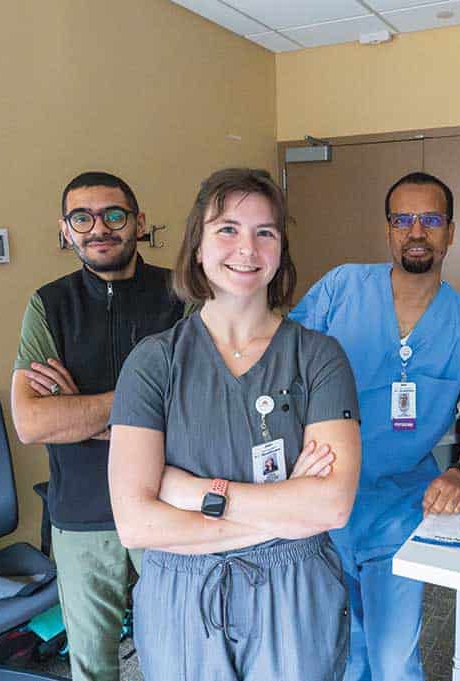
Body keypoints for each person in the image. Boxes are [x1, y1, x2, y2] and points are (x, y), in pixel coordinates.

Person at [107, 168, 361, 681]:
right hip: (181, 593)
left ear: (280, 251)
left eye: (265, 231)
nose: (247, 247)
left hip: (295, 590)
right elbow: (136, 524)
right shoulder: (154, 362)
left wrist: (194, 492)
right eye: (227, 228)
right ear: (196, 247)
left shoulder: (318, 358)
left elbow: (331, 506)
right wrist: (288, 503)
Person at [290, 172, 460, 681]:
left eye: (431, 219)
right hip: (319, 500)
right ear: (388, 230)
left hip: (399, 510)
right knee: (338, 654)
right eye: (404, 219)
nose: (416, 231)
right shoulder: (341, 288)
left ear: (451, 233)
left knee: (394, 658)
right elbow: (285, 369)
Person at [11, 171, 187, 681]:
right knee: (92, 666)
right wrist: (140, 408)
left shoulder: (179, 297)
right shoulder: (49, 305)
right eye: (81, 217)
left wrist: (82, 410)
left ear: (139, 222)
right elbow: (30, 421)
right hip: (83, 515)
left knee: (178, 652)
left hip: (167, 504)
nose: (99, 228)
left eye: (114, 214)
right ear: (65, 230)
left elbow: (197, 407)